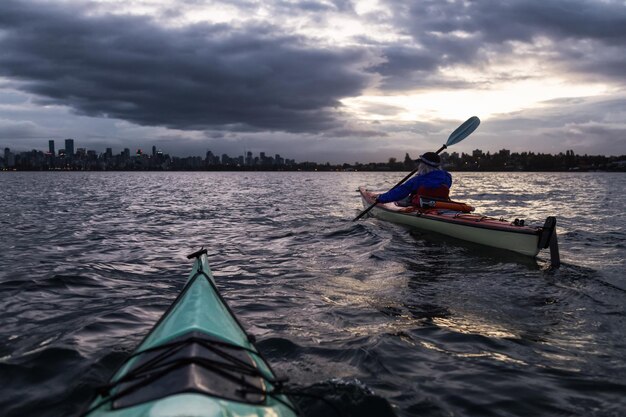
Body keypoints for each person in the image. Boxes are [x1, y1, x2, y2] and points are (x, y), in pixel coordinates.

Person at [376, 152, 452, 207]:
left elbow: (399, 193)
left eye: (420, 164)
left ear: (423, 166)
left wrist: (380, 198)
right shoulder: (447, 178)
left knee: (403, 197)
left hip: (421, 208)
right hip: (440, 206)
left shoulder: (417, 180)